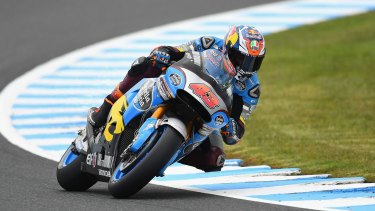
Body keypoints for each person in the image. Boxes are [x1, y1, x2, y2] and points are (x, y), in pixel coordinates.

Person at [88, 25, 266, 172]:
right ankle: (105, 107)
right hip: (183, 84)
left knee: (215, 160)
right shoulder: (210, 44)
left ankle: (159, 157)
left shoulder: (251, 88)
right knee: (144, 63)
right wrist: (165, 52)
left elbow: (240, 120)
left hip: (207, 113)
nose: (246, 67)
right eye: (241, 58)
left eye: (253, 62)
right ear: (228, 48)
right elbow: (181, 50)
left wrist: (234, 128)